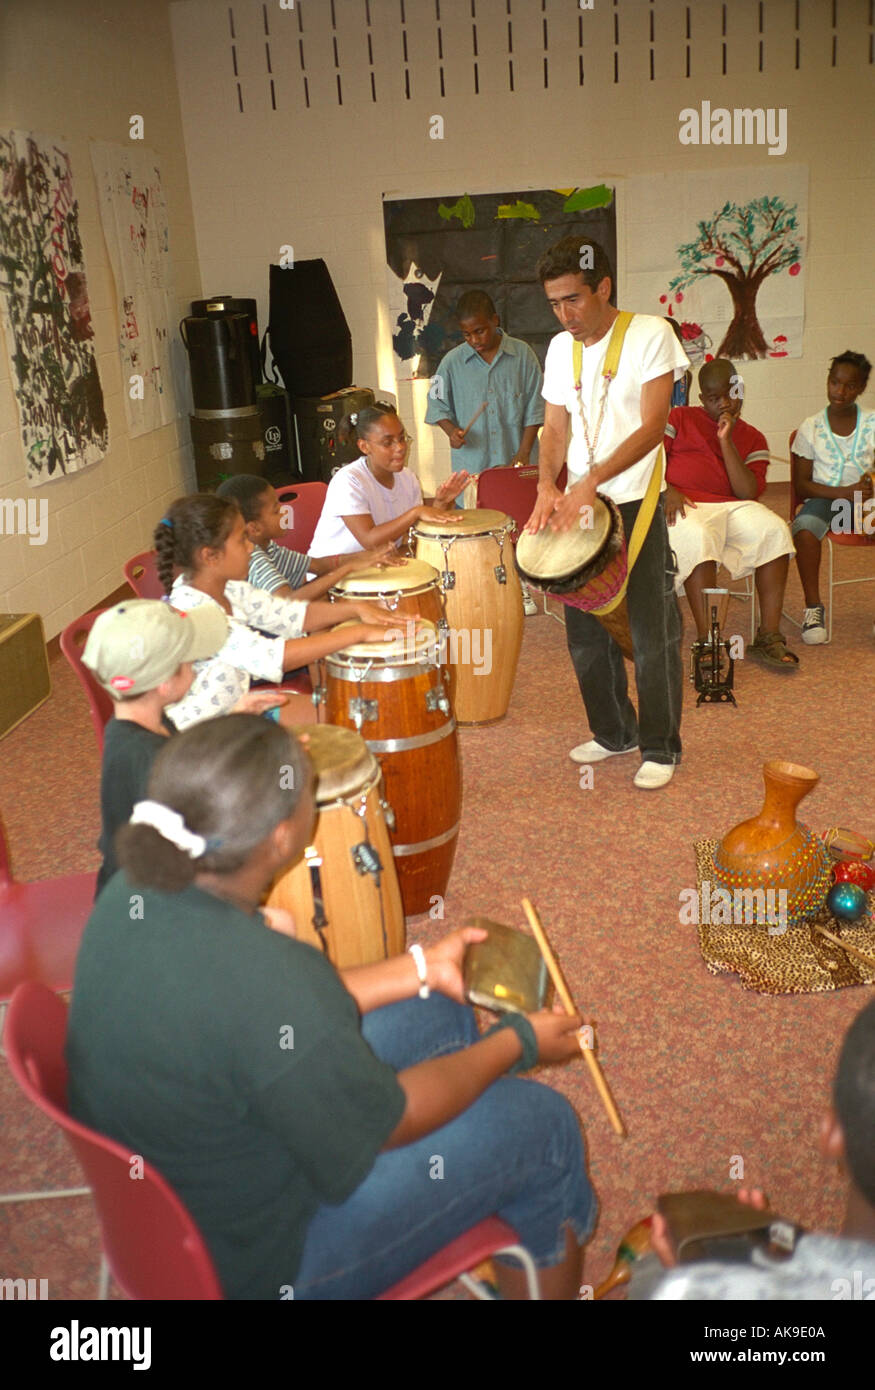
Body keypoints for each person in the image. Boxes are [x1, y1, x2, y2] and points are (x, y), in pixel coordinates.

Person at [66, 714, 596, 1300]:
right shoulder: (271, 974)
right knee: (545, 1126)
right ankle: (510, 1201)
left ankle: (478, 1192)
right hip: (266, 1262)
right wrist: (516, 1043)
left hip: (179, 1197)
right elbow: (390, 1119)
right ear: (281, 838)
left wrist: (421, 969)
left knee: (436, 1011)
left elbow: (276, 1017)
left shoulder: (132, 889)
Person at [524, 236, 689, 791]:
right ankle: (614, 731)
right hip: (581, 505)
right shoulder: (558, 348)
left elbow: (652, 425)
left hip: (635, 500)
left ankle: (661, 746)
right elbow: (554, 428)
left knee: (650, 631)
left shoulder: (650, 335)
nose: (564, 314)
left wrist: (589, 479)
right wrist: (548, 483)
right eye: (553, 303)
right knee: (584, 634)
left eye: (573, 299)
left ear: (604, 287)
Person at [631, 997, 875, 1298]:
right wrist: (783, 1253)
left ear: (833, 1134)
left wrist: (697, 1276)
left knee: (648, 1271)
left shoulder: (694, 1290)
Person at [154, 494, 401, 730]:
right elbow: (273, 657)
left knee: (351, 715)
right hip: (204, 739)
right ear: (210, 556)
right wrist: (359, 633)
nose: (251, 548)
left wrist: (356, 608)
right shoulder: (195, 611)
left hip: (237, 711)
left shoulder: (229, 590)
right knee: (349, 722)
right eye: (242, 540)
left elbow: (292, 615)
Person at [82, 599, 229, 896]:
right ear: (164, 684)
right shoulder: (150, 761)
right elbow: (187, 861)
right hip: (144, 908)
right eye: (191, 660)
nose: (197, 667)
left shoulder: (140, 726)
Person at [663, 358, 798, 670]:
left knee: (775, 530)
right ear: (702, 399)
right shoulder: (679, 417)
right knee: (699, 537)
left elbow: (746, 492)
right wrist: (664, 488)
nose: (724, 403)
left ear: (740, 390)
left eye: (730, 393)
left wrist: (726, 440)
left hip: (733, 505)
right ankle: (707, 642)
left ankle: (768, 637)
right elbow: (650, 458)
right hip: (685, 504)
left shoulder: (754, 437)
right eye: (714, 398)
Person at [425, 291, 545, 615]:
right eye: (466, 334)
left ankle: (520, 587)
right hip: (473, 463)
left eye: (480, 330)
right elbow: (436, 406)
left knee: (517, 524)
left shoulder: (523, 355)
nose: (474, 339)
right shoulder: (450, 363)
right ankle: (488, 592)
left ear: (495, 321)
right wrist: (452, 432)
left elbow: (536, 407)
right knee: (479, 529)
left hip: (514, 459)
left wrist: (523, 451)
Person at [790, 350, 875, 644]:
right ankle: (813, 608)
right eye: (835, 382)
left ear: (861, 388)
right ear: (828, 381)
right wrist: (843, 493)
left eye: (850, 386)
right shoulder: (810, 427)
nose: (840, 391)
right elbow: (802, 485)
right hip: (826, 500)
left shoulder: (872, 422)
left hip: (865, 505)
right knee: (804, 528)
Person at [308, 404, 469, 558]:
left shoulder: (407, 478)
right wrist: (416, 512)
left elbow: (413, 535)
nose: (400, 447)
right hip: (334, 578)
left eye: (402, 438)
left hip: (378, 568)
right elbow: (369, 540)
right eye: (388, 443)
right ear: (364, 446)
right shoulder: (348, 481)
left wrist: (440, 504)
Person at [215, 474, 399, 600]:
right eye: (277, 511)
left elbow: (318, 565)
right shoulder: (253, 558)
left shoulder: (269, 547)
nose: (284, 515)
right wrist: (348, 568)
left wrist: (370, 556)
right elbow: (287, 602)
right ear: (254, 528)